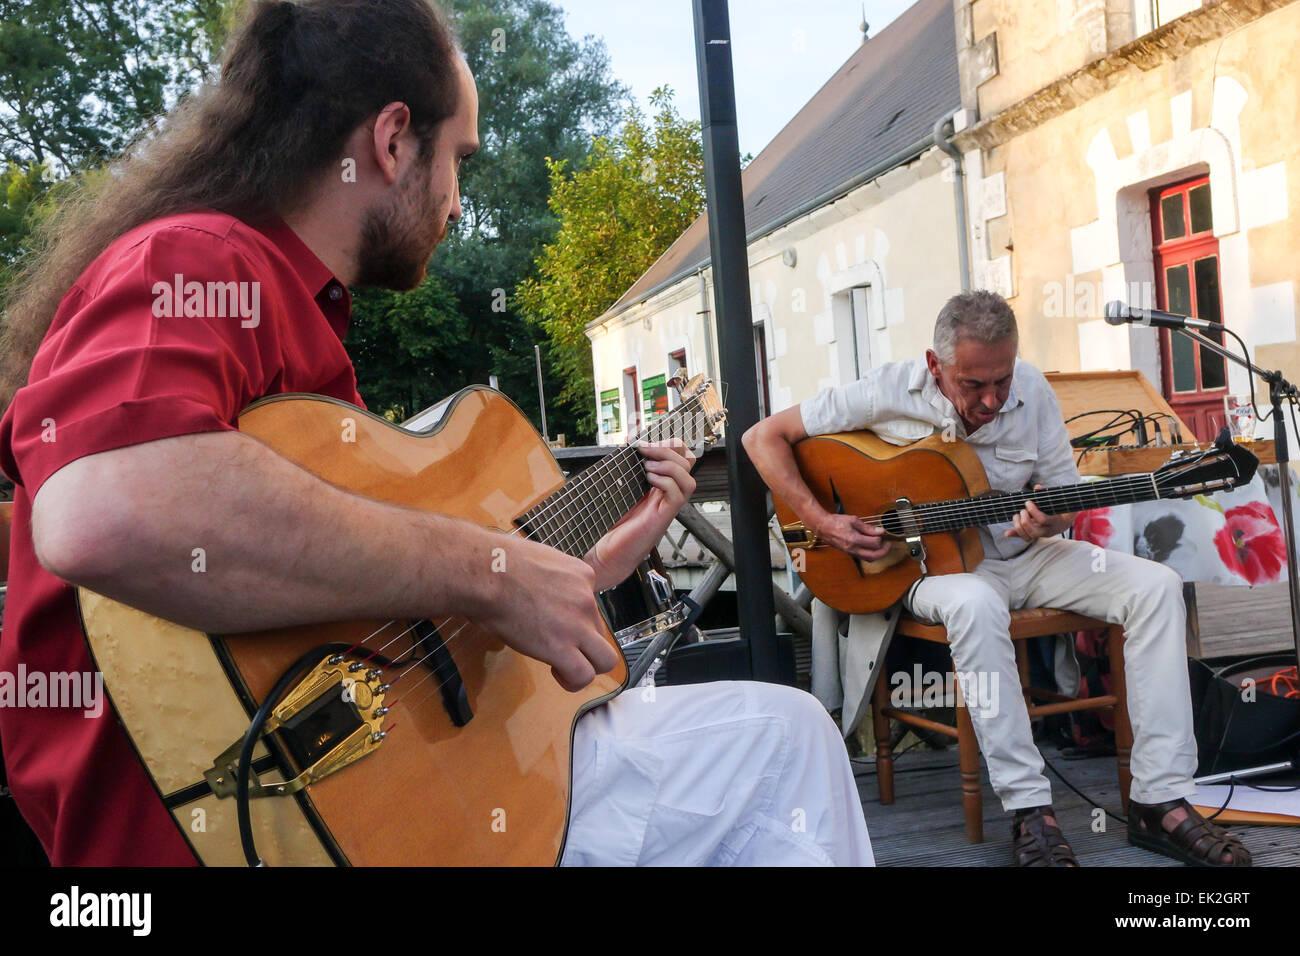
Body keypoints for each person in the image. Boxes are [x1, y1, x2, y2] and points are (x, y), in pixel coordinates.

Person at [0, 0, 871, 867]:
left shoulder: (297, 331)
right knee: (782, 739)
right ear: (391, 141)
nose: (457, 201)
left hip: (353, 808)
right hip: (221, 833)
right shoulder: (198, 264)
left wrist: (577, 569)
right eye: (458, 159)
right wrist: (489, 572)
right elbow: (104, 511)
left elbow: (377, 612)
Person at [743, 290, 1252, 867]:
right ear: (935, 367)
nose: (990, 399)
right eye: (972, 385)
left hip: (1025, 555)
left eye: (1001, 381)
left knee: (1155, 586)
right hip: (931, 570)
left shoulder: (1032, 390)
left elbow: (1062, 496)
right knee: (975, 603)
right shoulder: (884, 390)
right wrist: (824, 522)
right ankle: (1031, 811)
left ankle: (1160, 801)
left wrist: (1050, 517)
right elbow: (761, 438)